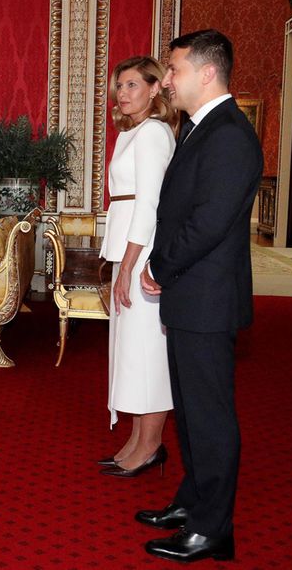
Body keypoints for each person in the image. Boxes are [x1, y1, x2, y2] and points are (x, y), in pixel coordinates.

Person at [137, 29, 263, 562]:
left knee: (209, 415)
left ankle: (213, 529)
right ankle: (192, 501)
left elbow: (208, 222)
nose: (167, 79)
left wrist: (160, 266)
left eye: (175, 70)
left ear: (207, 74)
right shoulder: (201, 128)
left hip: (205, 297)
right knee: (188, 411)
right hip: (191, 296)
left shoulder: (230, 134)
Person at [96, 56, 176, 478]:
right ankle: (136, 441)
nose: (123, 94)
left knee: (148, 354)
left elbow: (148, 205)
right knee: (133, 351)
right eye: (119, 87)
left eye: (131, 85)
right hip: (128, 247)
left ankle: (151, 446)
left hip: (142, 252)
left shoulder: (154, 133)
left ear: (154, 89)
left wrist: (128, 266)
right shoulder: (133, 133)